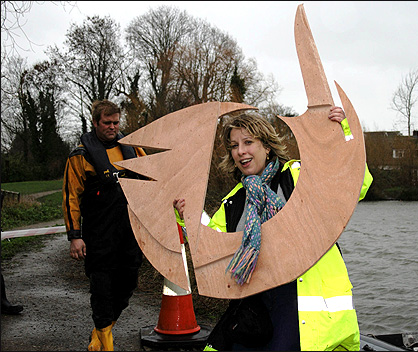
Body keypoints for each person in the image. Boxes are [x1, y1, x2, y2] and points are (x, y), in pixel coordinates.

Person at [173, 107, 373, 351]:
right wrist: (188, 216)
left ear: (267, 146)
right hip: (259, 310)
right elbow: (211, 249)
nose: (240, 151)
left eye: (248, 142)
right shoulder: (233, 202)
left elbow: (355, 185)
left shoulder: (298, 175)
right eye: (234, 146)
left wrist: (343, 132)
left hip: (305, 306)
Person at [62, 99, 145, 351]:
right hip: (98, 235)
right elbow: (70, 196)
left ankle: (100, 332)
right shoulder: (80, 155)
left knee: (128, 284)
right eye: (107, 123)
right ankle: (105, 343)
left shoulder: (133, 149)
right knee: (102, 289)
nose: (112, 127)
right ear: (96, 123)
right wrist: (75, 236)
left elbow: (154, 180)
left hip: (130, 232)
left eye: (116, 122)